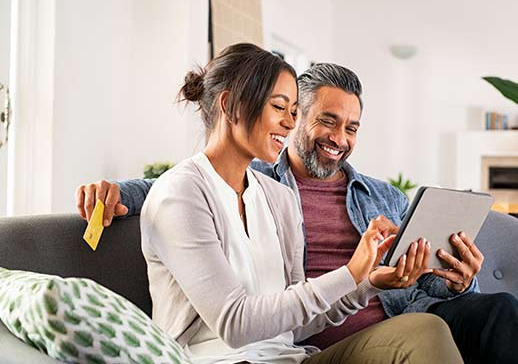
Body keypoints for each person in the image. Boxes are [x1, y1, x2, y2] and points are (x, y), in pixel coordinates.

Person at [77, 61, 518, 364]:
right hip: (325, 335)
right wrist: (117, 193)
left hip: (390, 317)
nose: (340, 138)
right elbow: (182, 185)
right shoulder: (261, 181)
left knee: (502, 311)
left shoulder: (380, 196)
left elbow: (420, 282)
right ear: (294, 121)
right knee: (429, 332)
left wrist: (455, 279)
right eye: (325, 120)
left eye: (352, 127)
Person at [110, 42, 463, 364]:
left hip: (289, 357)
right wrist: (351, 272)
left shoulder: (278, 197)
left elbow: (299, 325)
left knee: (425, 330)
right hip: (216, 361)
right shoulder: (180, 194)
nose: (291, 122)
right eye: (279, 107)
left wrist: (369, 283)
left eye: (294, 110)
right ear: (230, 105)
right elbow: (235, 324)